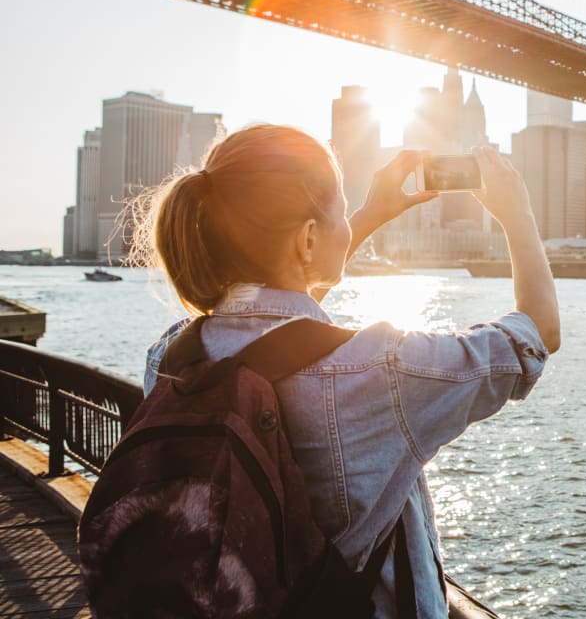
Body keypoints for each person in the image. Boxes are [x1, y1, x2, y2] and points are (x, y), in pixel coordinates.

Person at [130, 123, 560, 618]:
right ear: (309, 238)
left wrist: (371, 213)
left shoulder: (173, 357)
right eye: (340, 209)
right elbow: (538, 333)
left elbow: (280, 335)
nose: (349, 222)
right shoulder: (382, 371)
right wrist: (518, 214)